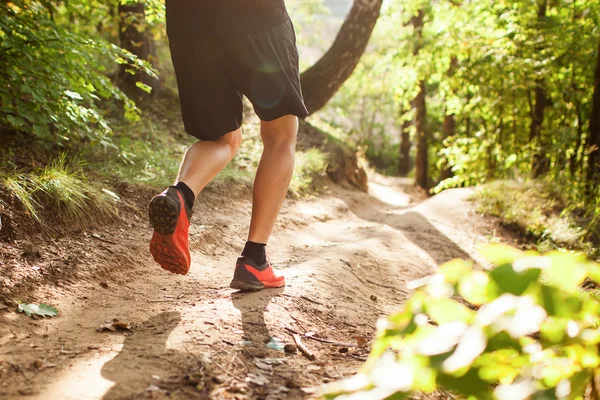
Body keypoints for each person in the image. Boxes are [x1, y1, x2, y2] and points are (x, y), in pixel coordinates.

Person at [148, 0, 308, 292]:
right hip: (258, 16)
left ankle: (180, 195)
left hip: (188, 21)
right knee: (280, 135)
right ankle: (254, 260)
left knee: (220, 138)